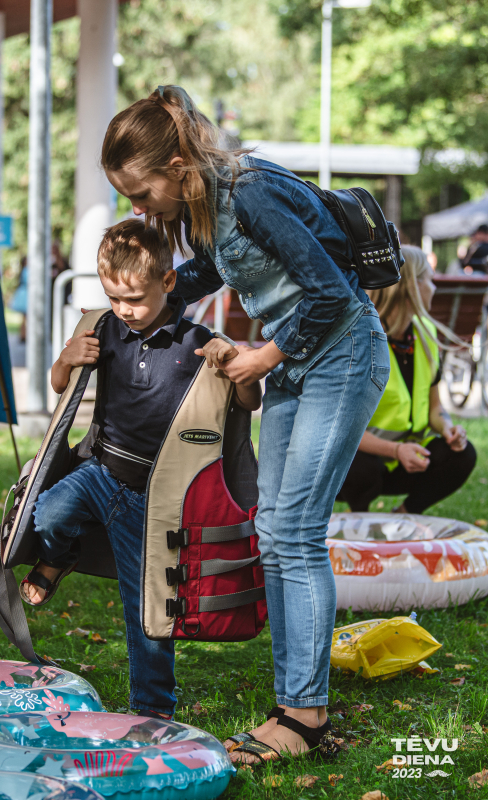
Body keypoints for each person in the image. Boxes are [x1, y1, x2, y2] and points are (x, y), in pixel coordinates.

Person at [100, 85, 389, 763]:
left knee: (295, 529)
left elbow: (330, 293)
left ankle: (304, 717)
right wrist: (138, 293)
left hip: (341, 354)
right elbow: (214, 268)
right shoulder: (204, 207)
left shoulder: (250, 190)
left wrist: (262, 355)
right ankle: (296, 700)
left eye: (140, 193)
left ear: (175, 165)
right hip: (298, 360)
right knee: (274, 527)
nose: (137, 208)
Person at [18, 219, 262, 720]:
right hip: (101, 472)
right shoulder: (105, 328)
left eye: (134, 299)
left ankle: (153, 710)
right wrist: (65, 359)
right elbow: (61, 383)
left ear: (168, 282)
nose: (124, 311)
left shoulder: (198, 342)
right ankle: (56, 558)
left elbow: (248, 400)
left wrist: (232, 362)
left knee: (147, 608)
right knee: (50, 513)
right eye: (113, 298)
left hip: (152, 499)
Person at [338, 245, 476, 514]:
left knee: (462, 454)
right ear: (409, 286)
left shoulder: (426, 334)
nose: (434, 288)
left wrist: (448, 428)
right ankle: (360, 520)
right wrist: (396, 450)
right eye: (430, 279)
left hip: (404, 459)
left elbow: (436, 408)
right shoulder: (360, 340)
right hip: (361, 463)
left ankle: (405, 516)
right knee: (361, 466)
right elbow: (342, 430)